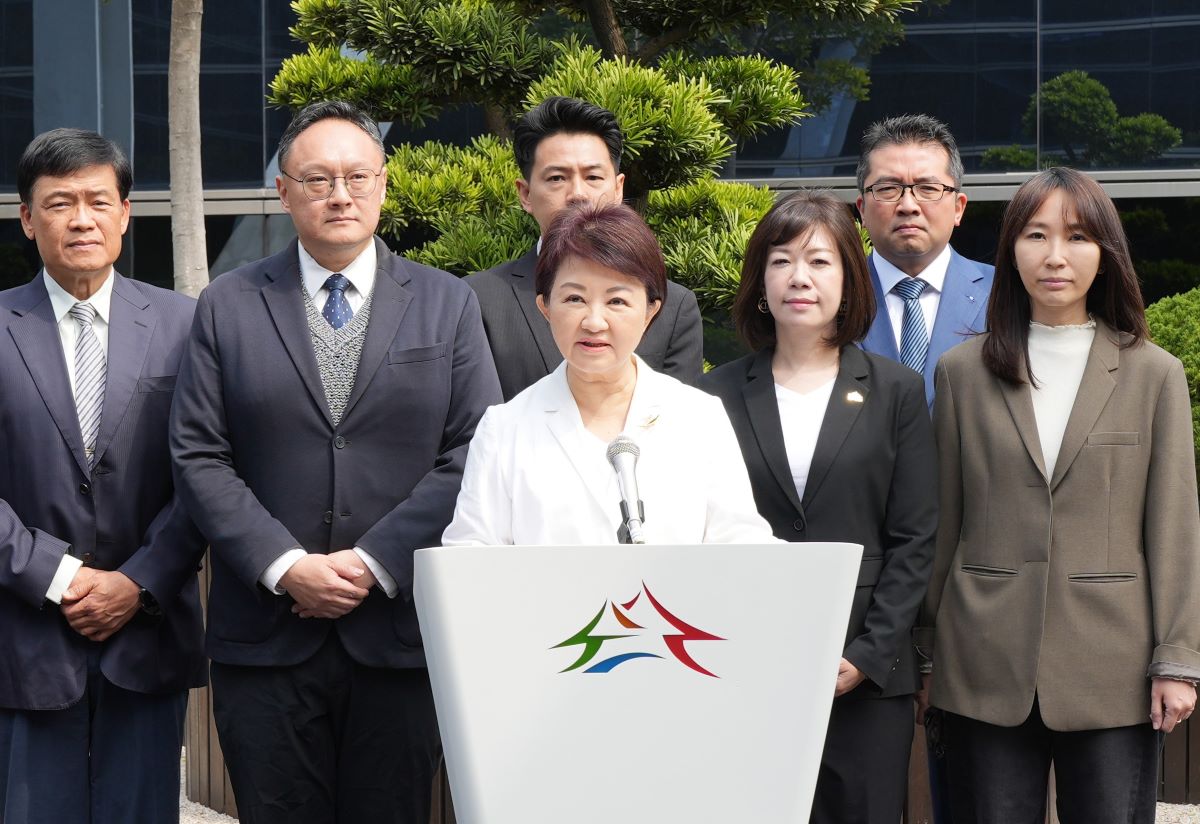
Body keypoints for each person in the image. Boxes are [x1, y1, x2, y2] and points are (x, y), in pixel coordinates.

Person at [170, 100, 502, 824]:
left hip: (399, 634)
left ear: (383, 183)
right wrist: (286, 564)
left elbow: (475, 450)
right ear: (284, 192)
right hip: (266, 636)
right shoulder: (228, 304)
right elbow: (199, 454)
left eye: (357, 177)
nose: (340, 195)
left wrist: (374, 561)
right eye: (318, 179)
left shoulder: (446, 302)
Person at [917, 167, 1200, 824]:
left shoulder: (1153, 373)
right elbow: (944, 523)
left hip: (1113, 662)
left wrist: (1178, 658)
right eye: (1036, 235)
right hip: (983, 658)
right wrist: (925, 651)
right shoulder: (963, 373)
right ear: (1011, 249)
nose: (1054, 256)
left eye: (1076, 237)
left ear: (1105, 253)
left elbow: (1174, 527)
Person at [701, 191, 937, 824]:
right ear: (760, 282)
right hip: (748, 665)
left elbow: (915, 538)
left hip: (867, 671)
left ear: (850, 278)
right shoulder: (713, 395)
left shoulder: (896, 390)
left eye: (819, 261)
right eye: (781, 261)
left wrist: (866, 654)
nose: (798, 277)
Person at [0, 129, 206, 823]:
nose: (81, 219)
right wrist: (57, 576)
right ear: (28, 219)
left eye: (97, 201)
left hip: (147, 630)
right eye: (60, 203)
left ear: (125, 213)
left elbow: (208, 470)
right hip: (22, 632)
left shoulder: (187, 324)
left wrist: (138, 581)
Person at [443, 202, 773, 546]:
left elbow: (740, 542)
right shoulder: (504, 429)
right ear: (545, 308)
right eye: (575, 299)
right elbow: (470, 553)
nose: (594, 322)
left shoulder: (699, 417)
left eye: (617, 301)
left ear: (650, 311)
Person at [468, 96, 704, 401]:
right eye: (557, 178)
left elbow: (679, 416)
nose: (577, 193)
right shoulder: (477, 300)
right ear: (525, 194)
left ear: (618, 189)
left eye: (593, 177)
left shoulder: (673, 305)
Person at [856, 114, 994, 408]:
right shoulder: (831, 295)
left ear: (958, 208)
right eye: (887, 189)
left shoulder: (1004, 293)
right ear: (862, 209)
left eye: (928, 189)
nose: (908, 206)